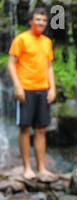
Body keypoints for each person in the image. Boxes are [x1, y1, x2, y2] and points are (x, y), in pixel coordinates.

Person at [7, 7, 56, 180]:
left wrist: (52, 87)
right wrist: (17, 86)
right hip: (26, 89)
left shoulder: (47, 42)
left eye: (43, 20)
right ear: (30, 21)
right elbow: (11, 63)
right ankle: (27, 167)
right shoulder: (21, 39)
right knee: (25, 128)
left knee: (41, 129)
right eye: (38, 20)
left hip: (42, 89)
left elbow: (49, 66)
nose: (41, 23)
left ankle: (41, 168)